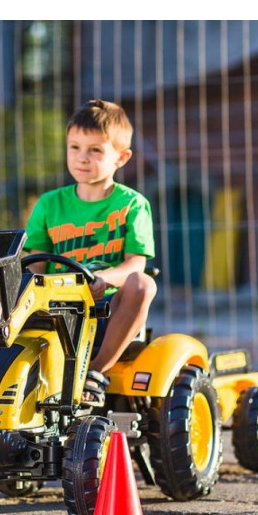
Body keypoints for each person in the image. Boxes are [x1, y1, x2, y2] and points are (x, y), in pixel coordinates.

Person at [23, 99, 157, 407]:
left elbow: (136, 263)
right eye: (74, 147)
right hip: (58, 309)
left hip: (107, 309)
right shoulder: (48, 204)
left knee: (143, 283)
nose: (82, 158)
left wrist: (106, 279)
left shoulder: (132, 205)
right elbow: (37, 266)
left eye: (95, 150)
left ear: (121, 158)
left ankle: (96, 373)